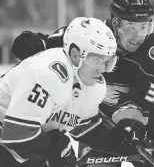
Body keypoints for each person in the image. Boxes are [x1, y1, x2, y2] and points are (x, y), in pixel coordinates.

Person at [11, 0, 154, 167]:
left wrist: (138, 132)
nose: (138, 36)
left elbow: (138, 109)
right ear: (116, 22)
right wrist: (39, 43)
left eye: (144, 26)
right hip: (98, 123)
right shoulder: (92, 33)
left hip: (140, 119)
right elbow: (63, 38)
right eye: (131, 26)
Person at [0, 17, 119, 167]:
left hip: (18, 151)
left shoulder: (93, 86)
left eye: (108, 61)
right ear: (76, 55)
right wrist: (54, 149)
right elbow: (16, 133)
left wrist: (118, 140)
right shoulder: (48, 72)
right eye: (97, 59)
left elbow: (85, 127)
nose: (102, 69)